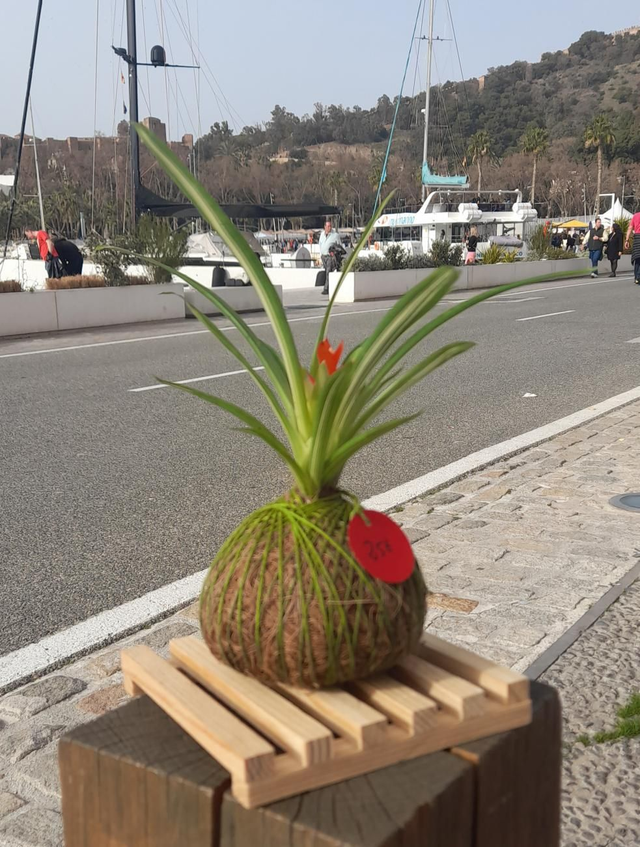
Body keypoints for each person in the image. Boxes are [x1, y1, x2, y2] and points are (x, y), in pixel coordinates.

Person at [319, 220, 341, 295]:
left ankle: (326, 288)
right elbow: (320, 244)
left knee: (328, 271)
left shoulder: (335, 235)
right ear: (324, 227)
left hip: (330, 256)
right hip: (323, 256)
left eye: (330, 226)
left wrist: (334, 252)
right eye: (328, 226)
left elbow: (339, 246)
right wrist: (321, 254)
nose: (329, 227)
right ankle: (330, 286)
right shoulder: (322, 234)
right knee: (327, 272)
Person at [625, 210, 640, 285]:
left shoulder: (635, 216)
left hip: (637, 238)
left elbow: (630, 228)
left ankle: (636, 277)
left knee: (637, 258)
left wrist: (627, 240)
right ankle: (638, 276)